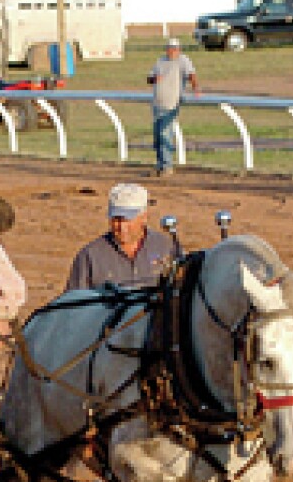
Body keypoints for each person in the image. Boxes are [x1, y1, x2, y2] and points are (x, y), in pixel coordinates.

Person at [66, 182, 183, 292]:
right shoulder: (90, 256)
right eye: (116, 219)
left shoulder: (166, 248)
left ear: (144, 217)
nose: (122, 227)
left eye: (128, 220)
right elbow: (72, 306)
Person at [146, 38, 200, 176]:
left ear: (178, 49)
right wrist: (154, 79)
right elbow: (149, 78)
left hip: (171, 103)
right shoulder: (160, 61)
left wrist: (196, 88)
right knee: (158, 136)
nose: (172, 51)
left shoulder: (183, 60)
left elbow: (191, 74)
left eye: (174, 48)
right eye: (170, 48)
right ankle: (160, 165)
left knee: (165, 135)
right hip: (157, 103)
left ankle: (167, 166)